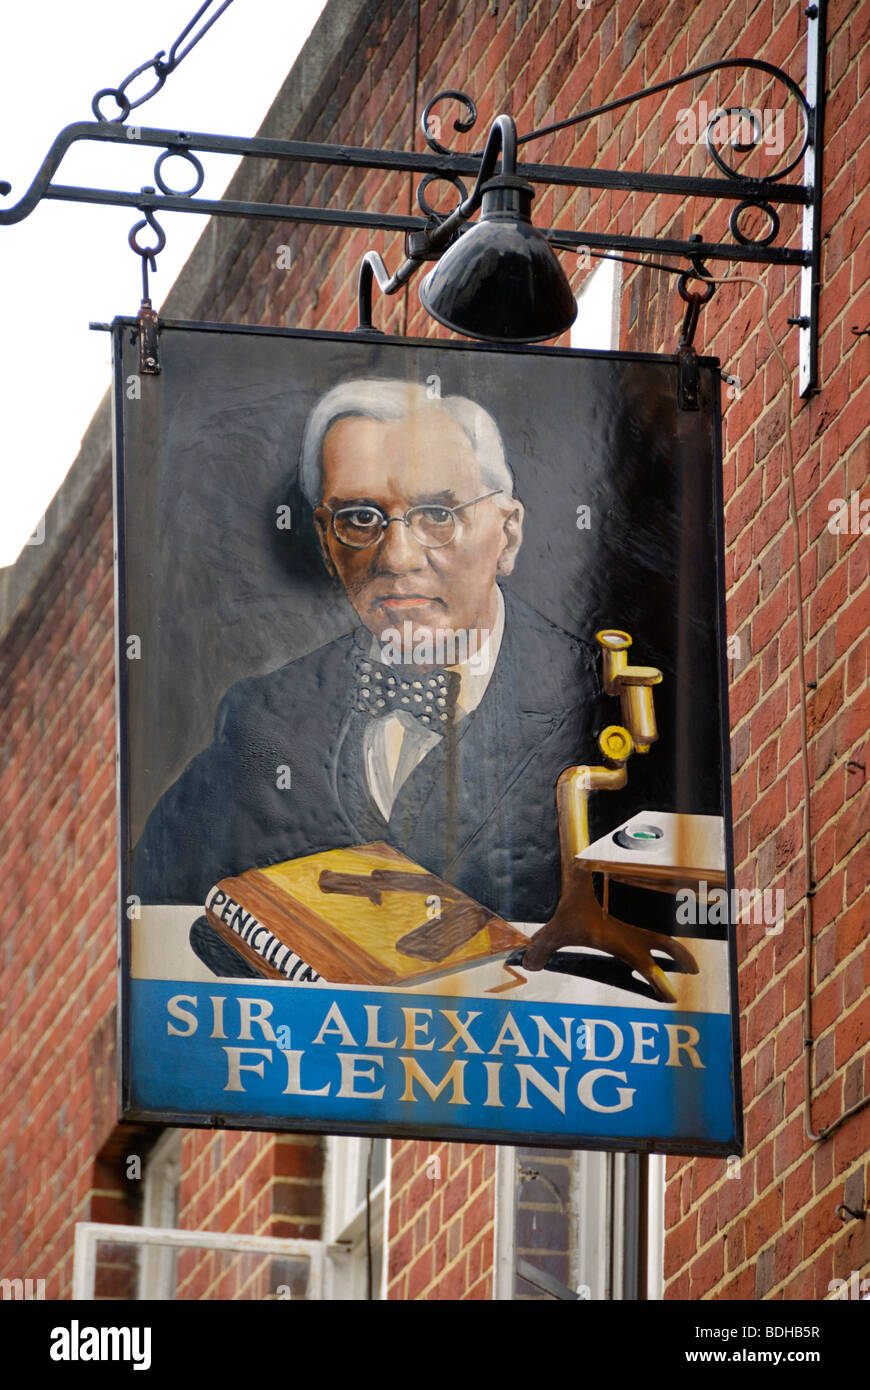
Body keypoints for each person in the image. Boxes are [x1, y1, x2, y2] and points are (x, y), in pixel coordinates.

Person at [132, 378, 602, 931]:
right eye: (359, 518)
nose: (397, 558)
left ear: (508, 533)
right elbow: (154, 913)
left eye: (437, 514)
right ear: (326, 542)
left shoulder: (600, 701)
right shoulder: (263, 721)